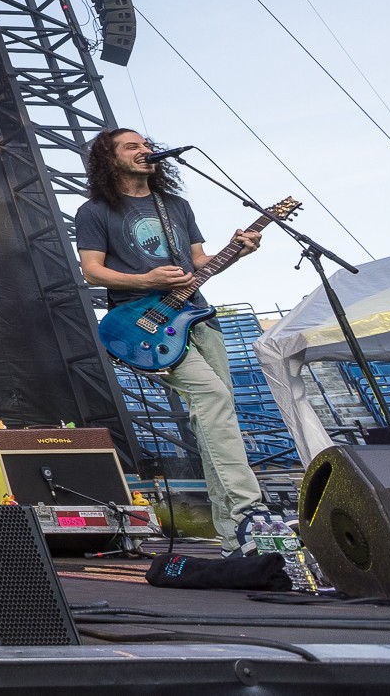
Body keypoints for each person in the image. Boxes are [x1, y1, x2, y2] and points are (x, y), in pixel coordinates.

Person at [75, 128, 272, 555]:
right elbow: (92, 270)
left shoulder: (176, 206)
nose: (145, 150)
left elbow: (200, 262)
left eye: (146, 144)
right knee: (214, 398)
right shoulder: (95, 211)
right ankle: (248, 512)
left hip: (198, 317)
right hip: (144, 321)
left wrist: (238, 249)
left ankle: (232, 537)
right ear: (109, 160)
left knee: (215, 415)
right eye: (132, 146)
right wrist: (143, 279)